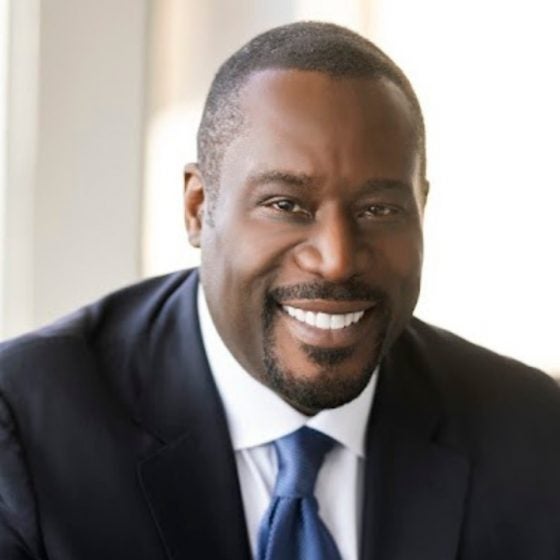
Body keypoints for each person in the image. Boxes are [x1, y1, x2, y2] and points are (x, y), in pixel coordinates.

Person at [1, 21, 559, 560]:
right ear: (198, 208)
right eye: (286, 205)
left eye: (379, 209)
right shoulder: (25, 427)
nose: (336, 260)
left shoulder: (531, 432)